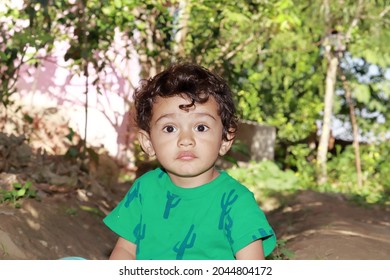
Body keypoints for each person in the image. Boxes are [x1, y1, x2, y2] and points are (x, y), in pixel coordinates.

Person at [103, 63, 276, 260]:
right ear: (148, 142)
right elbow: (125, 251)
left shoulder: (236, 201)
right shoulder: (144, 190)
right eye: (170, 128)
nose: (186, 140)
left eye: (201, 127)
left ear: (225, 139)